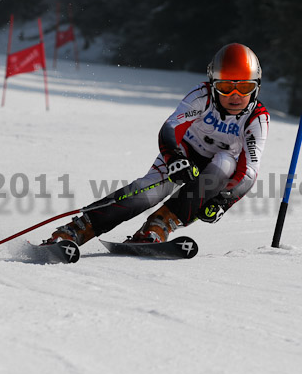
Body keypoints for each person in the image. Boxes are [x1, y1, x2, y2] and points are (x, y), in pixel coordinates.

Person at [45, 43, 270, 246]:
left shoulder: (257, 119)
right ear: (213, 85)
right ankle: (78, 228)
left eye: (245, 88)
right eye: (225, 87)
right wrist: (174, 158)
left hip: (218, 171)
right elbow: (171, 127)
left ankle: (160, 224)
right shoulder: (202, 97)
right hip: (183, 155)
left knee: (226, 162)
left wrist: (223, 201)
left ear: (256, 88)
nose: (235, 96)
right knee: (147, 193)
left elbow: (249, 170)